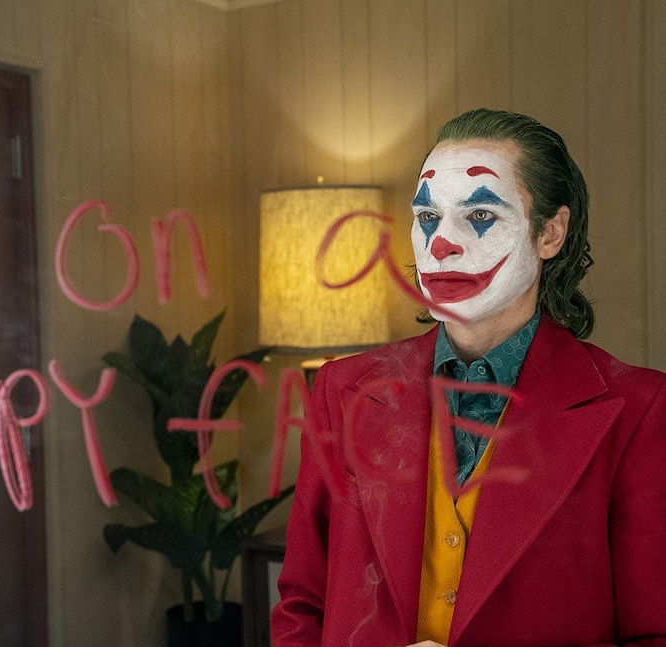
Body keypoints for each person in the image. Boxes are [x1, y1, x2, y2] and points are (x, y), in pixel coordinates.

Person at [271, 108, 666, 646]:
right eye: (427, 217)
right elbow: (301, 606)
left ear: (550, 233)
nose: (441, 244)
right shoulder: (343, 391)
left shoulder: (641, 409)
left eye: (480, 216)